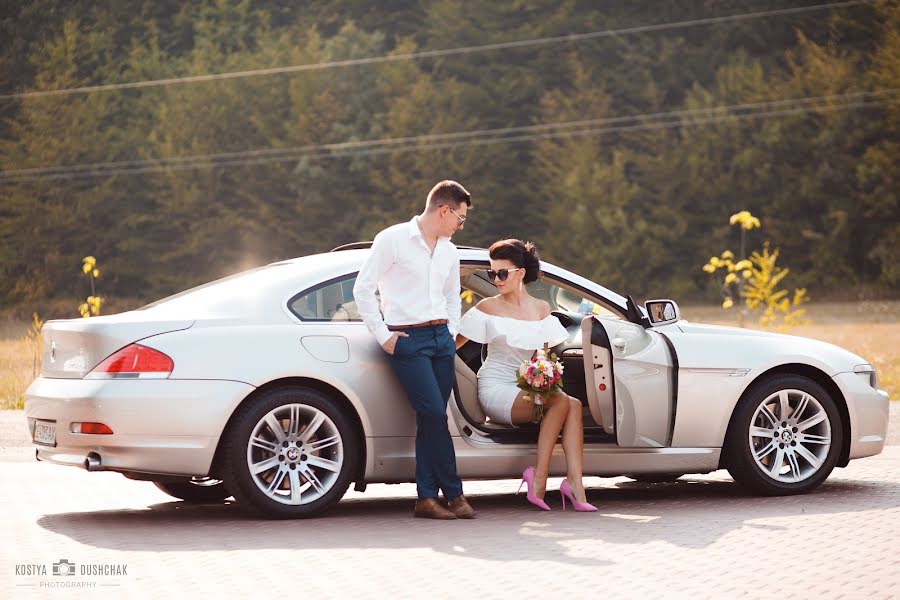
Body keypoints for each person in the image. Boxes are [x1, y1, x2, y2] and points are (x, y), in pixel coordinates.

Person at [353, 180, 476, 520]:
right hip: (407, 341)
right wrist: (384, 335)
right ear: (444, 210)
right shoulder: (392, 240)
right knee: (435, 414)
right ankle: (454, 493)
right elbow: (362, 289)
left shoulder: (449, 250)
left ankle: (425, 498)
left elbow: (453, 296)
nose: (460, 225)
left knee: (431, 418)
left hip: (441, 340)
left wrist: (450, 332)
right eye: (460, 218)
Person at [455, 239, 597, 512]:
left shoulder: (542, 309)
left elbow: (542, 358)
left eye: (502, 273)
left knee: (574, 403)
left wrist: (544, 374)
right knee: (560, 401)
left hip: (525, 387)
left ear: (520, 273)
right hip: (495, 388)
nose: (496, 279)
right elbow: (452, 347)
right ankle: (539, 480)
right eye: (492, 273)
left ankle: (575, 485)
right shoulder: (487, 308)